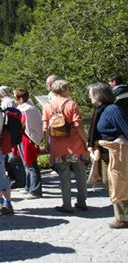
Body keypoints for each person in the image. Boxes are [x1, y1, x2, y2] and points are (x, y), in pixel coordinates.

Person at [42, 79, 89, 214]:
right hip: (75, 146)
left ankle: (67, 205)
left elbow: (45, 128)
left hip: (58, 148)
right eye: (68, 88)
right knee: (80, 174)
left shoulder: (47, 106)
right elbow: (78, 126)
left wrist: (47, 144)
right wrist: (87, 141)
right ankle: (81, 202)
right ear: (63, 90)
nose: (70, 90)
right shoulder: (71, 105)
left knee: (64, 176)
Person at [87, 82, 128, 229]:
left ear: (98, 95)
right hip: (104, 152)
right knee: (107, 182)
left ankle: (123, 218)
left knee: (118, 183)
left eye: (91, 93)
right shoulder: (100, 109)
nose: (89, 96)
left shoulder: (113, 109)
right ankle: (121, 215)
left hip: (115, 151)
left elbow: (126, 127)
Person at [14, 88, 43, 198]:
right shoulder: (25, 108)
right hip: (23, 137)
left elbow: (24, 124)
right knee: (26, 163)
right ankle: (29, 186)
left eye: (16, 98)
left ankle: (35, 190)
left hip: (28, 138)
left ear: (21, 99)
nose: (15, 100)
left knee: (31, 164)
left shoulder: (28, 109)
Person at [0, 86, 26, 189]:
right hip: (16, 132)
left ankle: (20, 180)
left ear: (2, 93)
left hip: (12, 133)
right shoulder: (11, 101)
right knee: (16, 157)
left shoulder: (6, 103)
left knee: (14, 158)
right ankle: (20, 179)